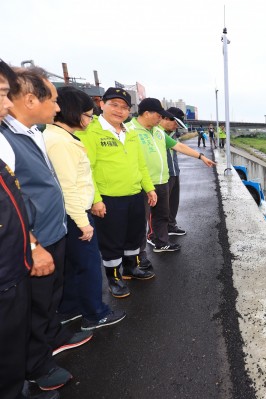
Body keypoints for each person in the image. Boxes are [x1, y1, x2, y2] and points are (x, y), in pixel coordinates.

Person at [1, 66, 92, 393]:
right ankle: (38, 366)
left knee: (49, 298)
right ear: (29, 100)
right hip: (34, 240)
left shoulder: (34, 132)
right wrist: (34, 245)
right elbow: (12, 201)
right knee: (34, 307)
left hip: (53, 231)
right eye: (52, 100)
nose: (57, 107)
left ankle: (51, 338)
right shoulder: (6, 140)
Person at [43, 86, 126, 330]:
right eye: (89, 115)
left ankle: (70, 308)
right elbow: (68, 187)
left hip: (71, 214)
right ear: (74, 112)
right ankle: (95, 313)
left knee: (73, 266)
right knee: (89, 266)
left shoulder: (59, 137)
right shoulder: (61, 142)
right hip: (75, 214)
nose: (91, 120)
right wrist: (83, 222)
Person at [76, 88, 157, 299]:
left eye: (124, 107)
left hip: (134, 194)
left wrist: (149, 188)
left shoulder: (129, 132)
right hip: (108, 198)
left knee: (134, 235)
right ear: (102, 104)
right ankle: (113, 277)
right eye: (114, 104)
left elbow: (140, 165)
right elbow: (87, 169)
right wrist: (96, 199)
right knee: (112, 240)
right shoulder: (90, 131)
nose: (119, 111)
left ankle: (131, 268)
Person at [128, 99, 216, 253]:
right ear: (147, 113)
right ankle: (138, 257)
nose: (160, 118)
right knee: (139, 221)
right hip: (141, 184)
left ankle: (162, 242)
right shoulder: (128, 130)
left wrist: (201, 156)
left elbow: (179, 146)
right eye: (159, 115)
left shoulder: (158, 132)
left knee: (162, 215)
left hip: (162, 180)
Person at [165, 107, 186, 236]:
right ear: (167, 118)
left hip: (174, 172)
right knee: (161, 206)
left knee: (173, 202)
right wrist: (200, 156)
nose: (176, 126)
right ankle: (156, 235)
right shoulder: (158, 133)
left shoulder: (173, 133)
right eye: (175, 123)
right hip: (163, 175)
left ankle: (171, 226)